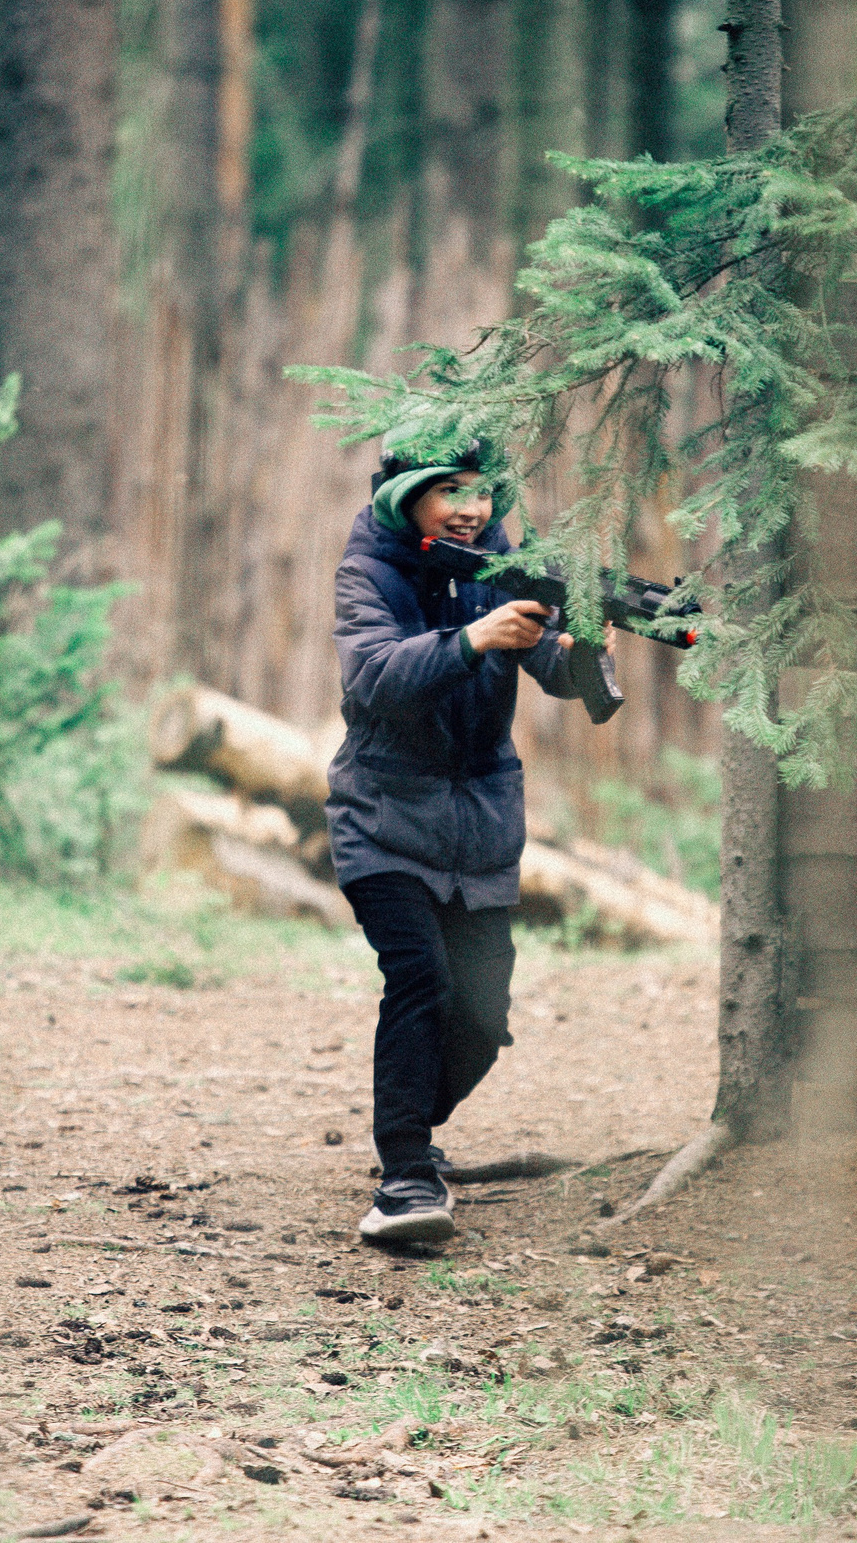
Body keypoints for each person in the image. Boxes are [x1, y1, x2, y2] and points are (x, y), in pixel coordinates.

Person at [326, 445, 588, 1243]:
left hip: (477, 827)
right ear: (409, 497)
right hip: (383, 819)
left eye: (480, 491)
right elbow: (370, 676)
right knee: (421, 979)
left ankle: (410, 1117)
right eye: (449, 492)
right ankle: (404, 1176)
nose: (470, 508)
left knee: (480, 1012)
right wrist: (475, 637)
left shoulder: (498, 559)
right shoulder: (370, 564)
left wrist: (582, 652)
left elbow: (551, 661)